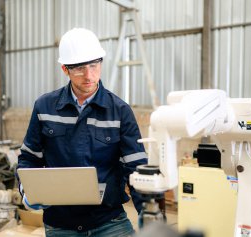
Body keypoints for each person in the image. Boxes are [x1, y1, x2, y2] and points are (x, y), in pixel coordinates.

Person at [16, 28, 148, 237]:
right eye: (79, 69)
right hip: (60, 223)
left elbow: (137, 167)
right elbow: (28, 159)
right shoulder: (45, 107)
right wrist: (27, 193)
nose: (89, 75)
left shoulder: (120, 111)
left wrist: (148, 219)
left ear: (101, 63)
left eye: (94, 66)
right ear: (65, 69)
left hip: (109, 221)